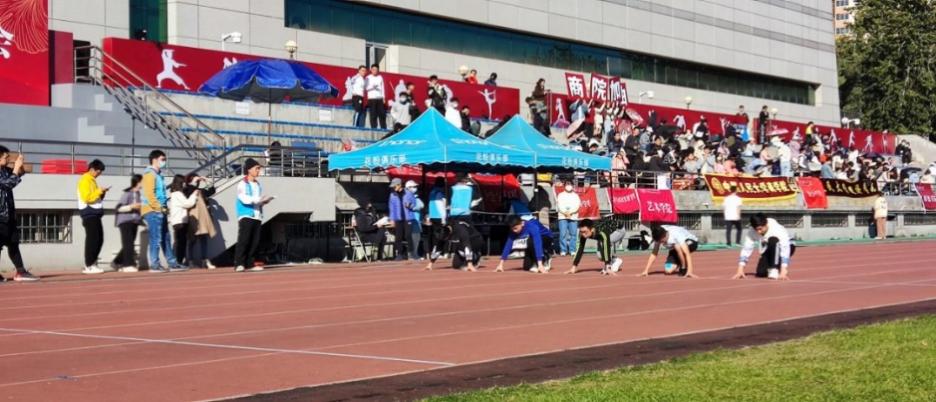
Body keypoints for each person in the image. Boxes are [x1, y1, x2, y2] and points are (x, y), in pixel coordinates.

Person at [141, 150, 184, 272]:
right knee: (156, 238)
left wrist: (163, 208)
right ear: (154, 160)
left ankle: (172, 263)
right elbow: (150, 195)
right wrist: (160, 208)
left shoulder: (158, 175)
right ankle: (155, 265)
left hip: (160, 209)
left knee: (166, 237)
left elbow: (159, 193)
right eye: (162, 159)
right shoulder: (150, 175)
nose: (164, 162)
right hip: (153, 210)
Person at [0, 147, 39, 282]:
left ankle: (21, 271)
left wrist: (20, 165)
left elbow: (18, 174)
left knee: (13, 243)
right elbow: (8, 184)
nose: (8, 160)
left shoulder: (5, 170)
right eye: (6, 157)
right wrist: (16, 167)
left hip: (9, 215)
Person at [234, 158, 273, 272]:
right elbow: (244, 198)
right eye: (257, 168)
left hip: (257, 215)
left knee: (255, 242)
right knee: (244, 240)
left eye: (259, 168)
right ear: (249, 169)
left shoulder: (258, 184)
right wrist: (258, 200)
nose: (258, 170)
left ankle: (250, 263)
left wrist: (264, 202)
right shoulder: (242, 184)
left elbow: (257, 201)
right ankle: (239, 263)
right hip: (246, 215)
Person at [733, 213, 795, 280]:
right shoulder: (751, 231)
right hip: (768, 247)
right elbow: (746, 248)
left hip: (788, 245)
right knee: (761, 272)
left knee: (773, 240)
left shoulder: (776, 229)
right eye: (756, 229)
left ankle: (774, 269)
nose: (759, 232)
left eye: (760, 229)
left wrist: (784, 269)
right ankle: (774, 265)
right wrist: (740, 269)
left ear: (766, 224)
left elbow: (785, 247)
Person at [77, 159, 110, 274]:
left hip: (95, 213)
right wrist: (99, 191)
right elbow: (87, 198)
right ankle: (89, 264)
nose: (98, 174)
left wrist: (102, 192)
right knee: (92, 239)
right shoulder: (85, 180)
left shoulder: (92, 181)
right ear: (92, 169)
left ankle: (93, 263)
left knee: (99, 239)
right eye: (98, 172)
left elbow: (96, 198)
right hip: (89, 213)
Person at [185, 174, 217, 269]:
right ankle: (190, 261)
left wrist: (207, 181)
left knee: (204, 240)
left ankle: (205, 260)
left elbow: (212, 191)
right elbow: (187, 194)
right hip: (193, 218)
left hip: (203, 218)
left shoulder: (201, 191)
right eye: (195, 180)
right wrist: (193, 183)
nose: (197, 182)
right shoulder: (187, 190)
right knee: (192, 240)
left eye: (198, 181)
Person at [112, 174, 143, 272]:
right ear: (138, 182)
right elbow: (118, 208)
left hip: (134, 222)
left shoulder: (138, 194)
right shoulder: (127, 193)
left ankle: (117, 262)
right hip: (125, 221)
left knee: (128, 243)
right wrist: (132, 206)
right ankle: (128, 264)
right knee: (128, 243)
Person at [168, 175, 198, 268]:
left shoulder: (174, 194)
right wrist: (194, 195)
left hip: (177, 221)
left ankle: (177, 262)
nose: (185, 184)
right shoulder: (177, 194)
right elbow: (187, 203)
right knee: (181, 243)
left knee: (179, 242)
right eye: (183, 182)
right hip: (180, 221)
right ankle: (178, 262)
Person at [387, 178, 410, 260]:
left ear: (399, 185)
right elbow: (391, 208)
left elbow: (414, 203)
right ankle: (400, 253)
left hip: (407, 218)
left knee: (407, 235)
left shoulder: (408, 193)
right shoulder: (392, 195)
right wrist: (392, 219)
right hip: (398, 218)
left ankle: (407, 253)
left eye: (395, 186)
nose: (393, 188)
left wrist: (410, 205)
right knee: (398, 237)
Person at [556, 181, 581, 256]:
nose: (568, 186)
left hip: (573, 216)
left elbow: (577, 205)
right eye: (567, 184)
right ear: (564, 185)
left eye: (570, 184)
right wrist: (565, 212)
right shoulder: (560, 195)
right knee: (563, 234)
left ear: (572, 186)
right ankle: (563, 250)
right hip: (562, 216)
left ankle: (572, 250)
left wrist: (571, 212)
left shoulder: (576, 195)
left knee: (573, 234)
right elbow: (559, 205)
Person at [427, 177, 447, 261]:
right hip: (439, 216)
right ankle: (438, 251)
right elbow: (441, 206)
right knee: (441, 235)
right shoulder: (439, 193)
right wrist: (443, 217)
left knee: (435, 235)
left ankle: (434, 251)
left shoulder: (432, 192)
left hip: (433, 215)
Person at [403, 180, 424, 260]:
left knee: (417, 237)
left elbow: (421, 205)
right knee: (413, 238)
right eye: (414, 187)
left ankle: (414, 253)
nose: (415, 188)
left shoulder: (414, 196)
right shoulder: (407, 196)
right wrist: (415, 206)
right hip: (412, 219)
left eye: (415, 186)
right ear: (409, 187)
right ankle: (412, 254)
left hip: (416, 219)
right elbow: (411, 205)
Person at [365, 63, 387, 129]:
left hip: (379, 98)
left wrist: (383, 97)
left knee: (382, 114)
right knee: (373, 114)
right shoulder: (368, 77)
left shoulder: (380, 77)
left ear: (378, 70)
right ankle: (374, 127)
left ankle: (383, 127)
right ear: (371, 70)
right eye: (373, 69)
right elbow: (366, 88)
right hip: (372, 98)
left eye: (376, 70)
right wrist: (372, 87)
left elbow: (382, 88)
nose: (375, 71)